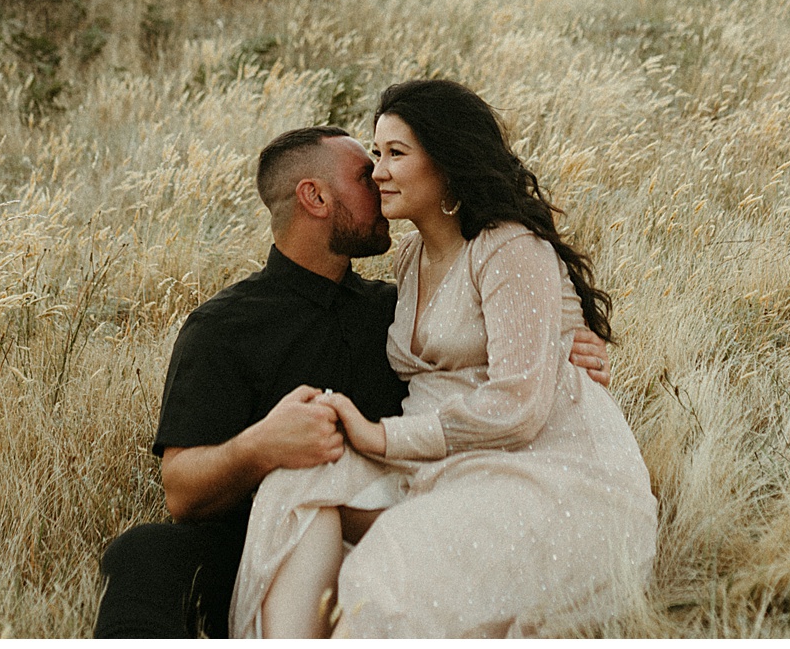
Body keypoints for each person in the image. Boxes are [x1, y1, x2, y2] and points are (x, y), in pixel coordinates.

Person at [91, 124, 611, 638]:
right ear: (314, 197)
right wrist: (263, 445)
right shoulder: (225, 327)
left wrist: (568, 348)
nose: (383, 182)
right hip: (260, 538)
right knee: (141, 554)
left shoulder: (394, 312)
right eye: (366, 176)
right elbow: (181, 492)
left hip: (397, 519)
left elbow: (492, 358)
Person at [229, 79, 660, 638]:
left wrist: (380, 437)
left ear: (448, 161)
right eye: (375, 154)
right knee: (294, 489)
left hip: (545, 471)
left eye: (395, 155)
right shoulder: (409, 260)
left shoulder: (508, 247)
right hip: (443, 466)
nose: (378, 171)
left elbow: (518, 407)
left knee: (388, 562)